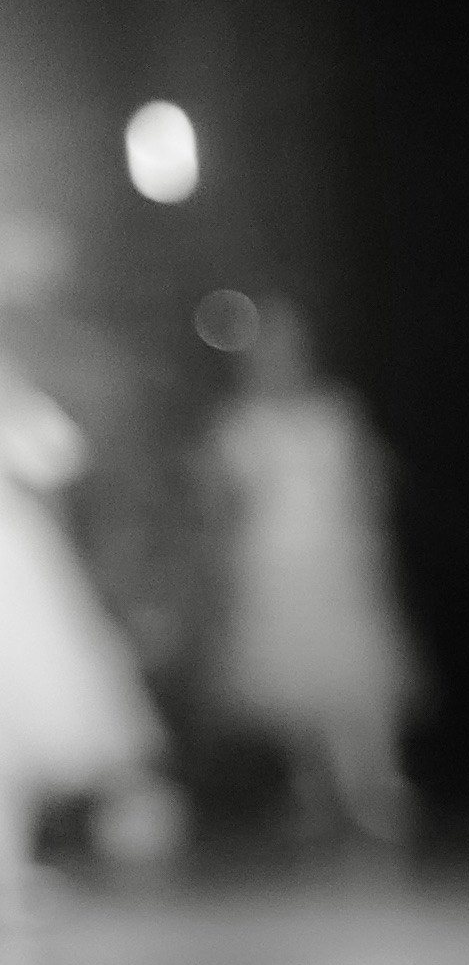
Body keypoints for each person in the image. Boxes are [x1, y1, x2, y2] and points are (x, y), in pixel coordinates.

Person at [191, 300, 423, 847]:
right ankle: (316, 795)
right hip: (271, 563)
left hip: (335, 559)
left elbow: (371, 487)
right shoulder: (238, 423)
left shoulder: (337, 412)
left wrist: (373, 547)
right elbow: (219, 508)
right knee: (291, 685)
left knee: (355, 678)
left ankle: (377, 792)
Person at [0, 356, 168, 865]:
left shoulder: (15, 397)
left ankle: (13, 867)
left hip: (20, 567)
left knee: (23, 721)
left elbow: (55, 475)